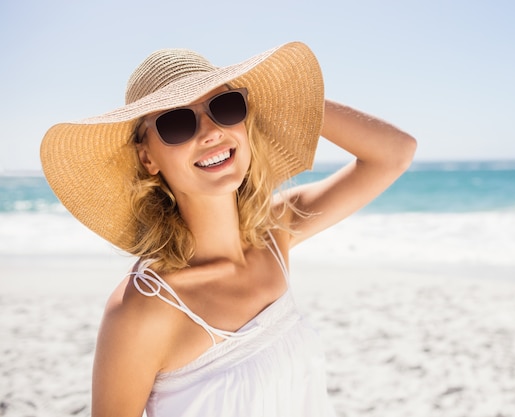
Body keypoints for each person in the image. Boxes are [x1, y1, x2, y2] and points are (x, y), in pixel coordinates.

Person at [40, 41, 416, 417]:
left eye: (225, 107)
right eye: (176, 123)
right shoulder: (143, 308)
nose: (210, 132)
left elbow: (395, 153)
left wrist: (288, 98)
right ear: (147, 156)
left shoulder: (274, 233)